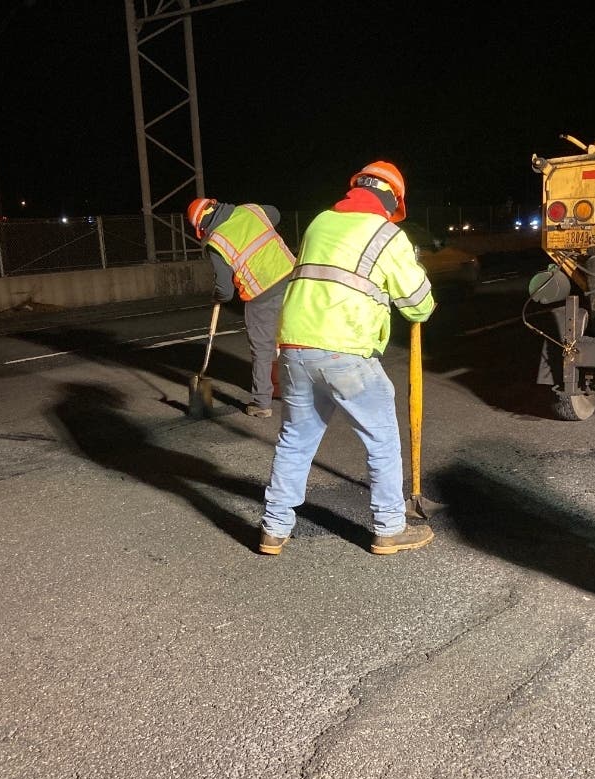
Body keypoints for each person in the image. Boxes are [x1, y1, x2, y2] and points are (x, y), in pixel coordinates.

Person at [258, 161, 436, 556]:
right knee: (382, 439)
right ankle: (390, 528)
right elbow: (419, 306)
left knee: (295, 440)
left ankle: (274, 528)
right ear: (393, 200)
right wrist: (416, 267)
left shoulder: (320, 222)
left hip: (294, 347)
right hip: (345, 351)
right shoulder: (388, 234)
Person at [186, 198, 295, 417]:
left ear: (201, 227)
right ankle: (304, 391)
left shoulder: (216, 242)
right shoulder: (251, 211)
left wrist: (216, 296)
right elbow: (275, 213)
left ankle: (261, 403)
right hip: (294, 281)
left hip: (261, 294)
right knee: (296, 338)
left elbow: (225, 291)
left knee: (263, 348)